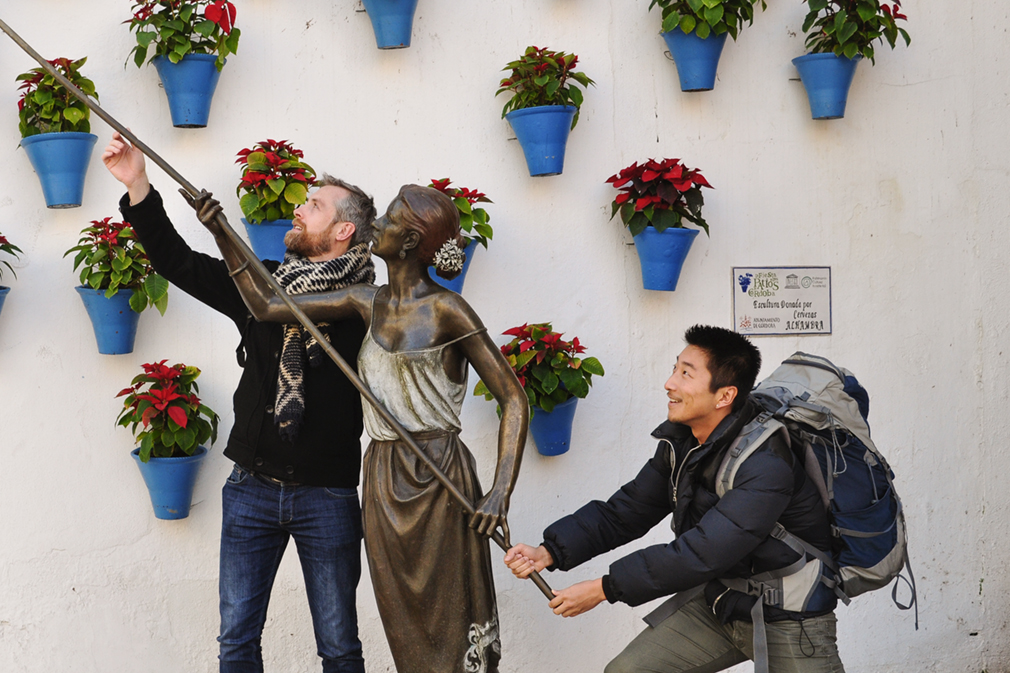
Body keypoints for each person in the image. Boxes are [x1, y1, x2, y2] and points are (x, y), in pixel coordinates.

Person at [187, 182, 529, 673]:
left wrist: (499, 493)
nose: (377, 227)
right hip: (384, 479)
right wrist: (221, 232)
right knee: (402, 621)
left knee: (451, 620)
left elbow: (513, 398)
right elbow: (265, 307)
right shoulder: (363, 301)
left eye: (388, 220)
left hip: (441, 477)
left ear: (409, 242)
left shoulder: (448, 311)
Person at [102, 131, 375, 673]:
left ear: (343, 230)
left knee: (340, 647)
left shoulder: (369, 305)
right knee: (236, 642)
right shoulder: (264, 284)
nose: (299, 209)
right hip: (251, 488)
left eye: (314, 206)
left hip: (329, 494)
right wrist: (138, 185)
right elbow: (178, 262)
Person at [504, 325, 846, 673]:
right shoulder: (683, 443)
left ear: (724, 396)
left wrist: (604, 588)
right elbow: (625, 512)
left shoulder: (766, 463)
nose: (670, 383)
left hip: (790, 616)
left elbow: (702, 553)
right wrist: (549, 551)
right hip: (723, 602)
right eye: (675, 368)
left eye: (686, 374)